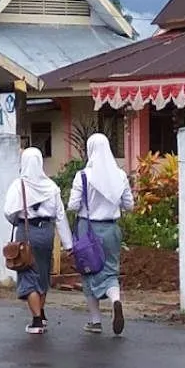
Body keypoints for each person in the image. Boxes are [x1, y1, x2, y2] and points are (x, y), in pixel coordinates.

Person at [68, 133, 134, 335]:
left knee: (89, 271)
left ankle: (95, 321)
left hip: (88, 231)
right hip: (112, 229)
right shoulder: (120, 175)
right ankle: (116, 300)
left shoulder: (83, 176)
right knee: (110, 271)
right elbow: (129, 205)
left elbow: (72, 205)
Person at [4, 147, 73, 335]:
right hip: (47, 234)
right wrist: (68, 244)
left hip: (27, 234)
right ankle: (41, 313)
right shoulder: (51, 187)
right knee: (42, 273)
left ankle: (36, 321)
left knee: (27, 274)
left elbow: (9, 212)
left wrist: (19, 220)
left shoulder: (19, 186)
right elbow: (60, 216)